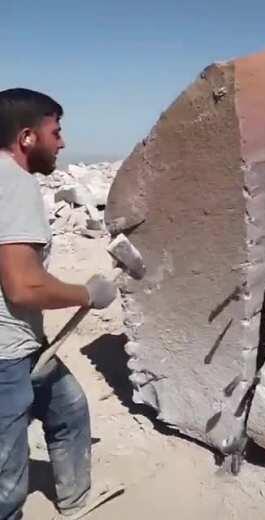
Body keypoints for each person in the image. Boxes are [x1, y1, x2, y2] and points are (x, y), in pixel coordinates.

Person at [0, 88, 117, 519]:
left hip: (24, 345)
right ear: (28, 137)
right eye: (57, 130)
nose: (63, 142)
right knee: (6, 486)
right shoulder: (14, 184)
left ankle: (73, 498)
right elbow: (23, 288)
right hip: (5, 359)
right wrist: (87, 294)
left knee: (68, 410)